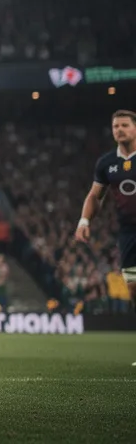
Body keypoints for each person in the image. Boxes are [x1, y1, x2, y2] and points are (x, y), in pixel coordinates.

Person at [75, 108, 136, 364]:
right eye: (115, 126)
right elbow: (94, 196)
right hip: (128, 234)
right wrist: (84, 220)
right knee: (134, 289)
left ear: (135, 128)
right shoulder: (106, 163)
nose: (119, 130)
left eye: (124, 125)